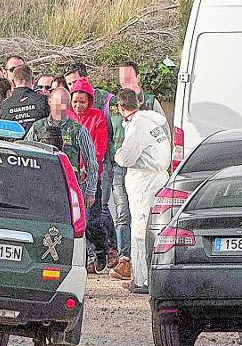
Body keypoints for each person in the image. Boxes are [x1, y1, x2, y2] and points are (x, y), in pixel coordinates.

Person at [114, 88, 171, 294]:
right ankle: (150, 276)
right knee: (155, 227)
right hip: (157, 177)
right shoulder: (153, 121)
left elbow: (126, 157)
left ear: (121, 107)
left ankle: (142, 279)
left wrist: (117, 155)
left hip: (144, 181)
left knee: (140, 229)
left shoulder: (137, 124)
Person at [65, 62, 118, 267]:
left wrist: (88, 166)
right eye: (75, 101)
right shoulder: (67, 118)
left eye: (82, 102)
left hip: (91, 177)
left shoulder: (97, 119)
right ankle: (88, 256)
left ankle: (102, 248)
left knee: (92, 219)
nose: (78, 106)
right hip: (71, 175)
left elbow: (99, 147)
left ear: (89, 101)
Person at [24, 87, 98, 205]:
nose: (61, 106)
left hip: (69, 187)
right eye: (58, 102)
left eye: (64, 103)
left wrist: (90, 192)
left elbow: (91, 163)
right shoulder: (38, 127)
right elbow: (25, 154)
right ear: (49, 101)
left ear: (69, 104)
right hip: (41, 186)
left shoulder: (78, 130)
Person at [0, 65, 49, 137]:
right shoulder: (44, 101)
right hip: (37, 146)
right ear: (33, 80)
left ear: (13, 82)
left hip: (12, 146)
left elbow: (0, 134)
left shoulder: (3, 106)